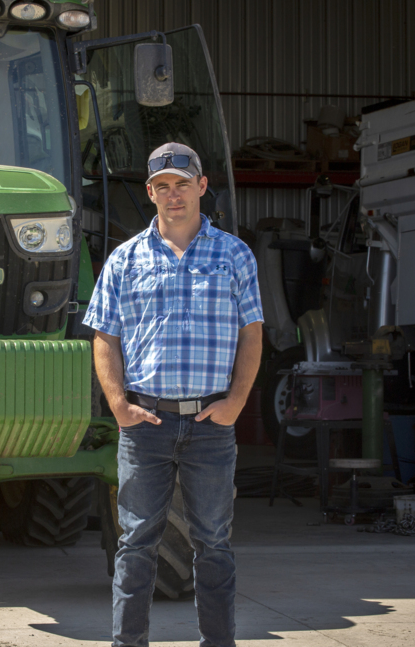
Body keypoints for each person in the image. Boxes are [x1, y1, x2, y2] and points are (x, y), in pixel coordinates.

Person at [83, 143, 264, 647]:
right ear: (150, 192)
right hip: (147, 425)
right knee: (136, 543)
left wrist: (235, 404)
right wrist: (119, 406)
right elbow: (105, 338)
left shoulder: (234, 255)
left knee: (214, 543)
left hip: (211, 425)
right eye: (162, 186)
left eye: (182, 184)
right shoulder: (125, 259)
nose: (173, 195)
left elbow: (252, 334)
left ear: (202, 186)